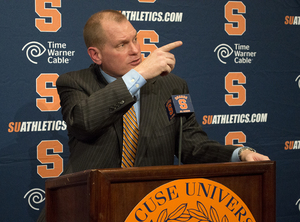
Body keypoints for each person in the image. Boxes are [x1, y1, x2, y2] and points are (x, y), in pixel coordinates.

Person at [37, 9, 269, 222]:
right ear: (96, 55)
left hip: (151, 207)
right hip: (86, 206)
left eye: (135, 39)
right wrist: (138, 76)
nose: (136, 50)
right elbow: (84, 122)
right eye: (121, 45)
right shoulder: (73, 83)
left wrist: (241, 154)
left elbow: (191, 145)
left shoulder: (172, 87)